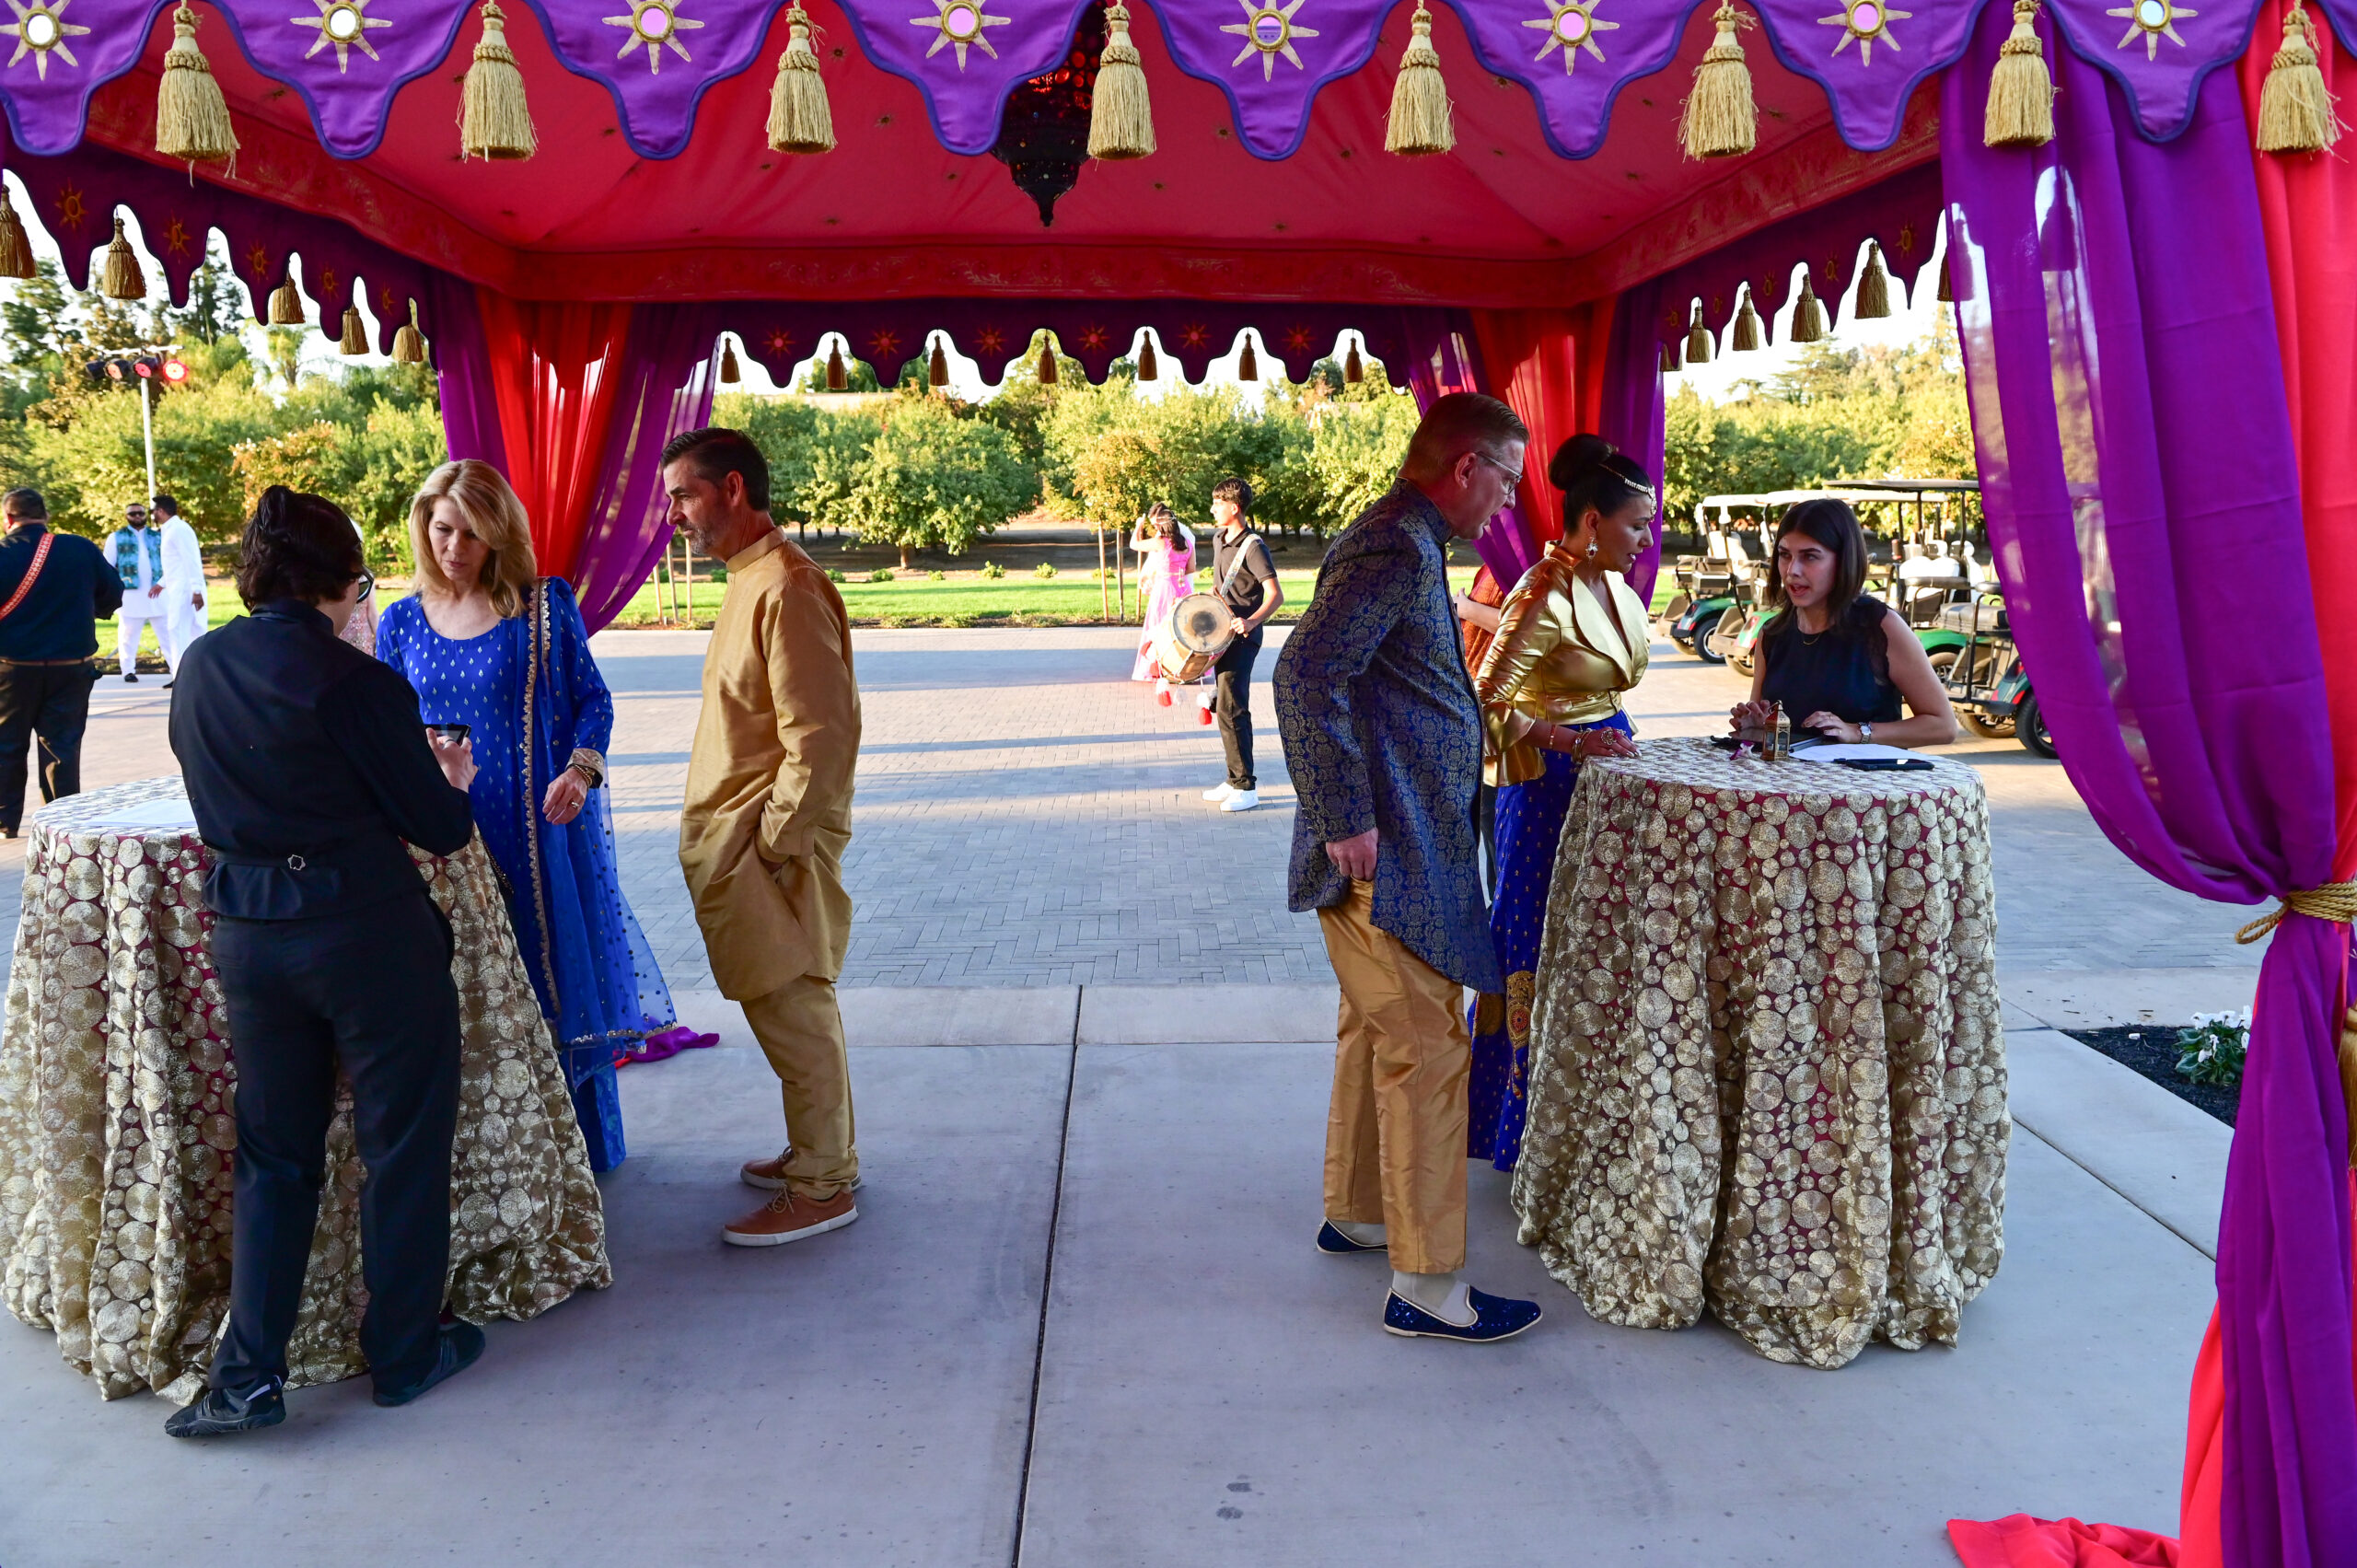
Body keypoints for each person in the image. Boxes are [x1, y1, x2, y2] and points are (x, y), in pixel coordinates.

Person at [164, 485, 482, 1437]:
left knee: (274, 1154)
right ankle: (404, 1351)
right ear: (340, 581)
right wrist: (452, 779)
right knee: (402, 1143)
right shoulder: (358, 682)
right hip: (363, 932)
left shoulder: (200, 664)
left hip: (249, 933)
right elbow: (438, 827)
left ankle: (247, 1375)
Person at [1273, 391, 1541, 1344]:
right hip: (1389, 849)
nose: (1508, 501)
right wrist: (1343, 815)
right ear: (1466, 466)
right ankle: (1427, 1286)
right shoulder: (1395, 545)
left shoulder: (1405, 540)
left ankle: (1357, 1211)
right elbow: (1305, 674)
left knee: (1375, 1030)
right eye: (1507, 478)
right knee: (1427, 1046)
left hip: (1402, 842)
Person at [376, 459, 682, 1172]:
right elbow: (386, 727)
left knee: (545, 979)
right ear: (423, 527)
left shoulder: (540, 606)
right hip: (443, 836)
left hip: (533, 833)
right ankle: (482, 1159)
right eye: (442, 529)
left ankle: (566, 1155)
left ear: (498, 535)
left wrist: (581, 769)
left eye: (472, 533)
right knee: (461, 986)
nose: (454, 547)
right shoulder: (399, 621)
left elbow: (592, 699)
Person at [663, 427, 864, 1249]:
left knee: (795, 1008)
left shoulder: (787, 586)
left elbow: (819, 736)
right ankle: (818, 1151)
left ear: (734, 488)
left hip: (766, 846)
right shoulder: (752, 578)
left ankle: (824, 1182)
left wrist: (775, 843)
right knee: (784, 1007)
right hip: (740, 843)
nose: (674, 515)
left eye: (684, 495)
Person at [1464, 435, 1655, 1170]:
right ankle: (1515, 1129)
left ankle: (1589, 1122)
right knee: (1535, 945)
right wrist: (1570, 741)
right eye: (1636, 524)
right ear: (1593, 520)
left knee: (1599, 948)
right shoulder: (1543, 590)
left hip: (1605, 779)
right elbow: (1486, 700)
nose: (1646, 540)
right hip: (1546, 786)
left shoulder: (1616, 588)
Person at [1729, 498, 1960, 748]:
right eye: (1785, 555)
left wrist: (1858, 732)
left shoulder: (1880, 627)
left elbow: (1943, 726)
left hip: (1864, 774)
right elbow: (1772, 732)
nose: (1792, 570)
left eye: (1810, 557)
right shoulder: (1772, 634)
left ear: (1844, 561)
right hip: (1793, 774)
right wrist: (1756, 729)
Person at [0, 488, 121, 838]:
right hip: (71, 664)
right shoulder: (79, 548)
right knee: (62, 747)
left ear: (8, 519)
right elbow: (114, 592)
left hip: (12, 666)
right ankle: (61, 821)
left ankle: (6, 821)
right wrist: (84, 612)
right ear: (46, 516)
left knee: (6, 745)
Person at [1202, 477, 1282, 812]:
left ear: (1234, 508)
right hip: (1221, 634)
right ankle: (1233, 778)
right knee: (1223, 706)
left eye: (1218, 504)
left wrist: (1251, 621)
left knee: (1233, 708)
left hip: (1244, 638)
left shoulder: (1254, 547)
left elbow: (1276, 595)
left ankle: (1246, 787)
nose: (1212, 509)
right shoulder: (1219, 539)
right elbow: (1223, 586)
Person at [1129, 504, 1196, 703]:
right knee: (1183, 630)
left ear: (1162, 526)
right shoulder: (1187, 544)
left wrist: (1139, 525)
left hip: (1164, 588)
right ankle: (1183, 668)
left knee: (1158, 628)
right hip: (1183, 589)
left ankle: (1157, 668)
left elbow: (1134, 544)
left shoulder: (1161, 543)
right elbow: (1191, 568)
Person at [108, 501, 168, 683]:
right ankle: (128, 671)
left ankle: (176, 670)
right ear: (127, 516)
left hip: (157, 593)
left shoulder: (159, 535)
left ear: (145, 515)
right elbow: (107, 566)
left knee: (167, 634)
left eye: (140, 513)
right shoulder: (116, 537)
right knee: (128, 635)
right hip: (130, 594)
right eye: (133, 513)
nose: (137, 516)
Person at [153, 494, 208, 681]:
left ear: (161, 511)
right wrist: (161, 584)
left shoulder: (178, 530)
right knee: (183, 633)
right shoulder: (171, 529)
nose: (153, 514)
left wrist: (197, 590)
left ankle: (182, 679)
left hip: (186, 591)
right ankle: (188, 677)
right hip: (179, 589)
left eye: (154, 511)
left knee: (181, 633)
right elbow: (175, 564)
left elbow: (191, 560)